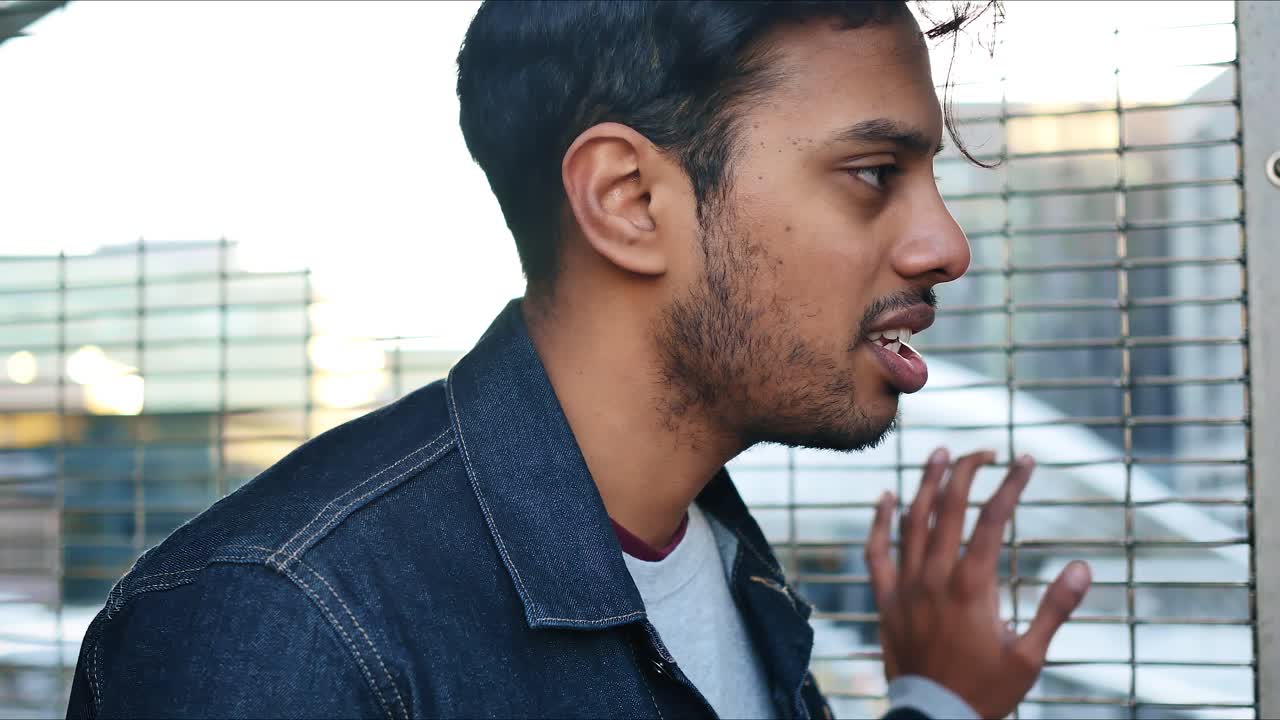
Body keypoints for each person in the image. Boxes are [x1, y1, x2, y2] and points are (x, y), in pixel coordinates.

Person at [67, 1, 1093, 718]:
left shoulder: (720, 565)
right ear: (628, 202)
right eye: (873, 174)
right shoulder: (287, 626)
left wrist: (929, 707)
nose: (945, 246)